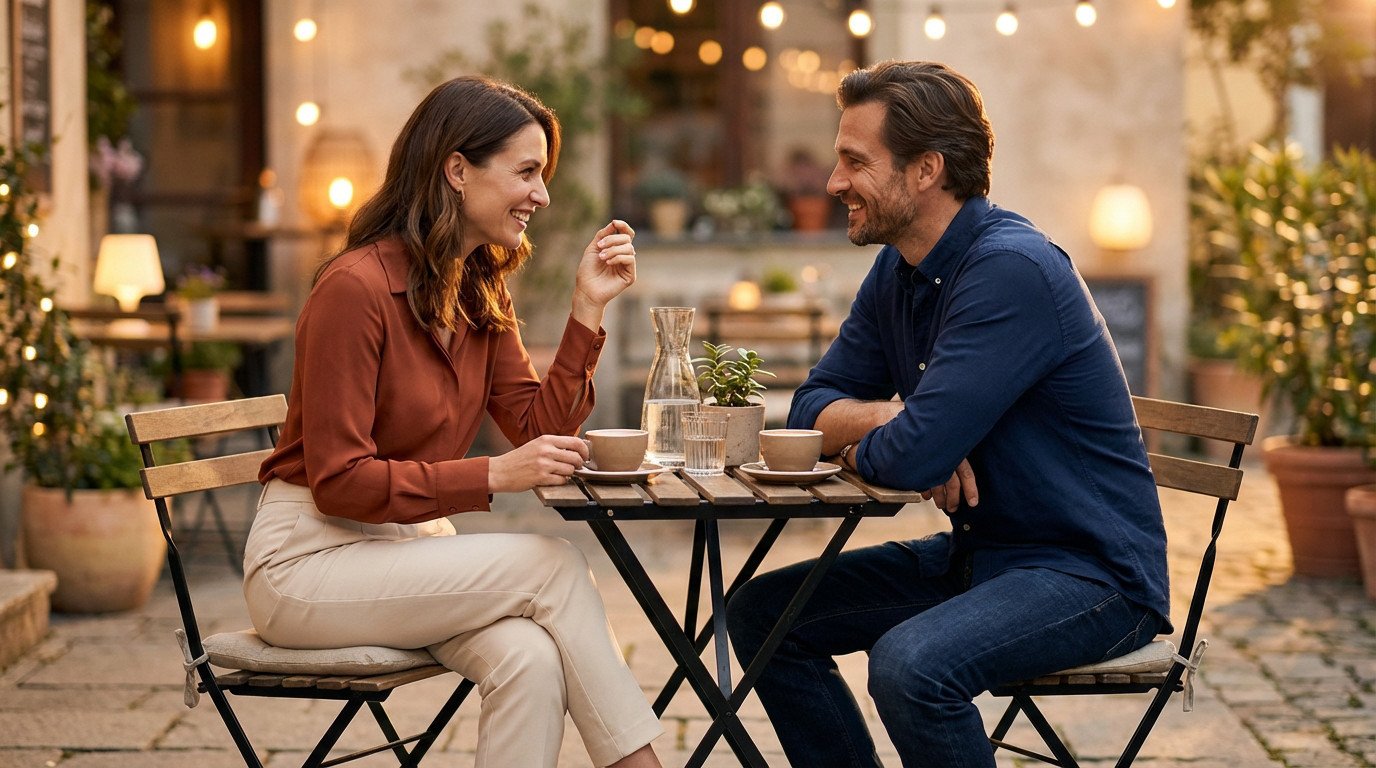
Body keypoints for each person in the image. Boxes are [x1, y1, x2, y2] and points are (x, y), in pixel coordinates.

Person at [726, 60, 1169, 768]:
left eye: (854, 161)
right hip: (984, 555)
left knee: (912, 667)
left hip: (1090, 576)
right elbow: (810, 407)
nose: (834, 183)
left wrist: (907, 435)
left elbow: (911, 458)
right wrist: (882, 421)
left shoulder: (1011, 270)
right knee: (760, 616)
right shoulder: (899, 269)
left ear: (926, 169)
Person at [249, 76, 663, 768]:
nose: (543, 194)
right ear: (457, 169)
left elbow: (539, 433)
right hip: (306, 565)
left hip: (403, 552)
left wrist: (587, 309)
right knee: (551, 564)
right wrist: (494, 474)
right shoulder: (353, 291)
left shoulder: (477, 288)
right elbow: (338, 483)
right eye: (527, 172)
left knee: (530, 657)